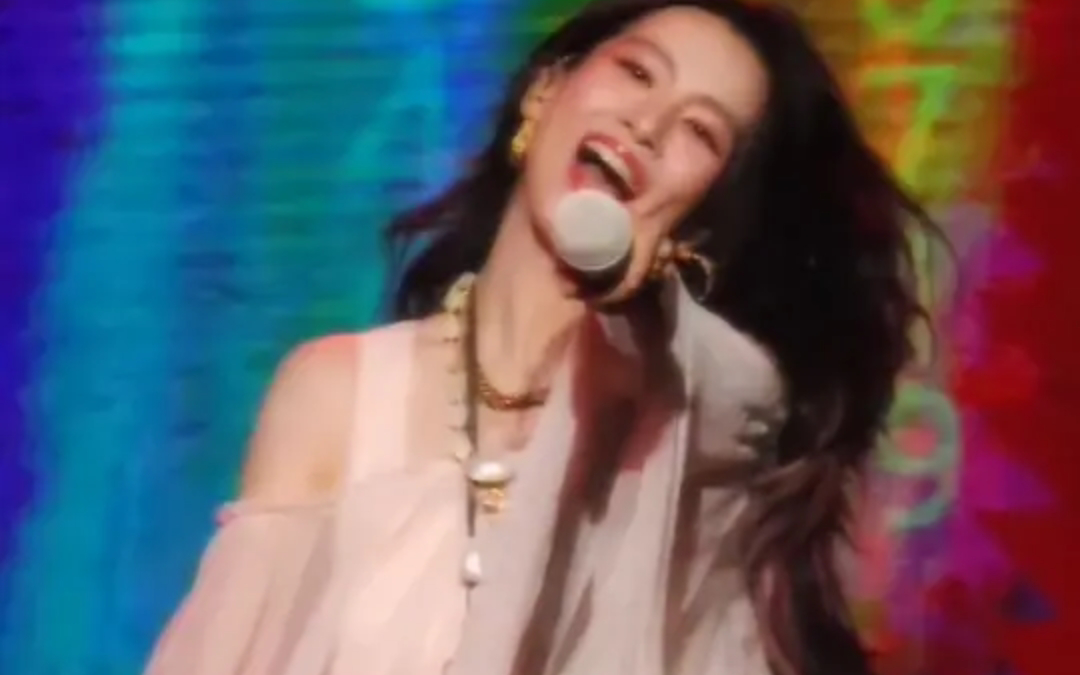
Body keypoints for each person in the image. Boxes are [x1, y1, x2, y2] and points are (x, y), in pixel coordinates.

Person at [145, 1, 936, 674]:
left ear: (707, 225)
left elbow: (740, 391)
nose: (646, 124)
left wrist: (643, 309)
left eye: (699, 130)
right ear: (545, 92)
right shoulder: (337, 392)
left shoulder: (694, 436)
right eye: (635, 72)